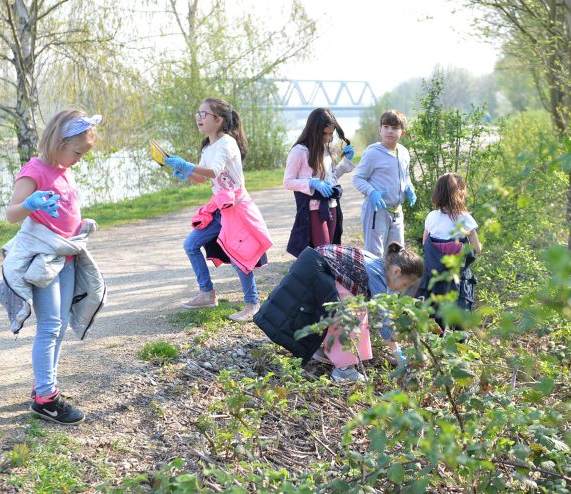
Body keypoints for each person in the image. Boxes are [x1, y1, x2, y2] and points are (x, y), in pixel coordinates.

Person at [0, 108, 106, 425]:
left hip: (68, 257)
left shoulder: (64, 168)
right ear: (59, 141)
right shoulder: (35, 170)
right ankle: (47, 398)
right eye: (78, 152)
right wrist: (29, 204)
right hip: (45, 261)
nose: (80, 160)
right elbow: (11, 214)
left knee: (58, 328)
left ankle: (44, 387)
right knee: (49, 328)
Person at [164, 97, 272, 322]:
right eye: (198, 113)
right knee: (191, 244)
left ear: (218, 119)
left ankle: (252, 304)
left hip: (237, 208)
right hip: (220, 208)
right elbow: (202, 178)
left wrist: (186, 165)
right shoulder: (209, 145)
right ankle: (207, 293)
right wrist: (184, 171)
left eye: (203, 114)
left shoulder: (227, 143)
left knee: (238, 256)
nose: (198, 118)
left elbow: (213, 171)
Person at [254, 242, 423, 382]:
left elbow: (389, 301)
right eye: (406, 284)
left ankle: (327, 351)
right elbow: (383, 320)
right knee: (354, 313)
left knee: (347, 308)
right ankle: (344, 370)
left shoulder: (382, 265)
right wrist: (398, 355)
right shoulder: (377, 276)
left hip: (314, 264)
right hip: (317, 270)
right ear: (397, 271)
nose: (403, 290)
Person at [283, 108, 355, 257]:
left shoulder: (327, 149)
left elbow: (331, 178)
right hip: (313, 209)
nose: (328, 137)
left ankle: (328, 280)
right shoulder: (299, 151)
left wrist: (345, 162)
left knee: (333, 251)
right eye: (325, 133)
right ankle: (318, 280)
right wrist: (312, 183)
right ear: (314, 129)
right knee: (324, 254)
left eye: (331, 133)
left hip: (332, 206)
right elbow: (288, 182)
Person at [352, 109, 417, 257]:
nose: (390, 131)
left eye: (395, 128)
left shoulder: (404, 152)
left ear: (402, 133)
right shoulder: (372, 152)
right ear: (380, 129)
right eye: (386, 127)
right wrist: (372, 192)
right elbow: (358, 178)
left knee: (397, 253)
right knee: (375, 254)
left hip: (397, 211)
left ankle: (391, 281)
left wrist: (409, 188)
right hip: (376, 210)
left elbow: (406, 177)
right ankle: (374, 280)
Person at [417, 172, 482, 318]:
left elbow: (425, 244)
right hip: (457, 280)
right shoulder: (465, 218)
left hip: (434, 280)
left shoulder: (431, 217)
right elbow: (477, 249)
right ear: (459, 193)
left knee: (436, 320)